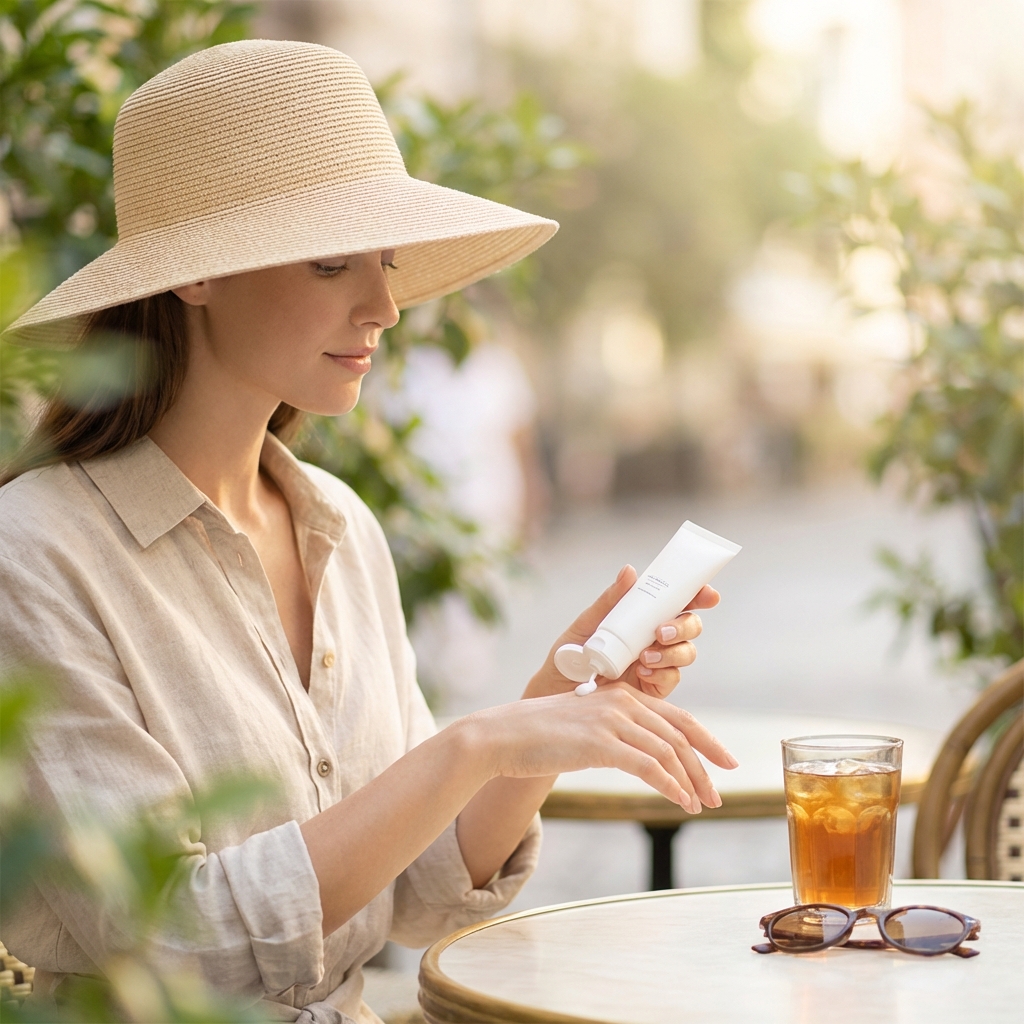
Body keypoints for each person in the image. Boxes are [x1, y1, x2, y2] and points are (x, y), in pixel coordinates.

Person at [0, 41, 735, 1024]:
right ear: (195, 277)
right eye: (333, 261)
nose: (384, 306)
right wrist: (475, 742)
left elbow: (423, 892)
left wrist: (561, 702)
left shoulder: (337, 526)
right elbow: (176, 936)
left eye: (385, 263)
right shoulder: (36, 553)